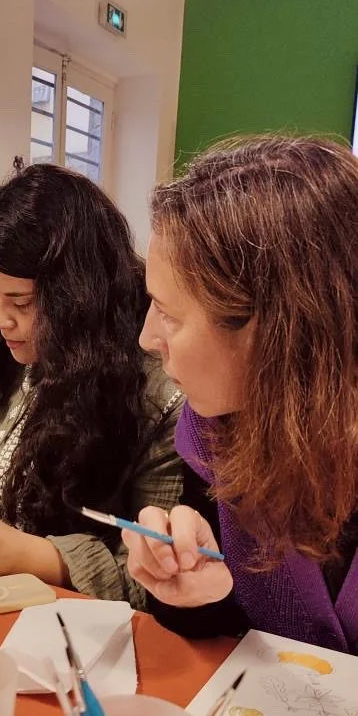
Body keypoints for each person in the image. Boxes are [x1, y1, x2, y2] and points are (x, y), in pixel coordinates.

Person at [0, 163, 184, 605]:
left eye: (22, 302)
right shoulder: (5, 360)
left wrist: (31, 556)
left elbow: (158, 580)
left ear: (79, 298)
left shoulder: (158, 396)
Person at [122, 135, 358, 654]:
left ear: (275, 331)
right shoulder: (215, 433)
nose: (146, 338)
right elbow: (229, 622)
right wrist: (192, 589)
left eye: (169, 314)